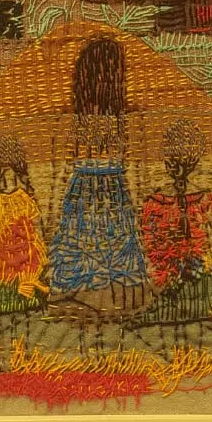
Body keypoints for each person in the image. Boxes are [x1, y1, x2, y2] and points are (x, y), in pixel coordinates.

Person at [48, 35, 147, 312]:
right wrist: (139, 207)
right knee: (115, 237)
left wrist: (51, 213)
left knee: (81, 236)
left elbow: (61, 171)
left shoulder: (72, 120)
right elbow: (135, 170)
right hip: (114, 189)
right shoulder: (126, 120)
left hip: (81, 189)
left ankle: (78, 292)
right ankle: (117, 296)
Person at [139, 118, 212, 293]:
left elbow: (150, 241)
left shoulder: (154, 202)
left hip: (169, 282)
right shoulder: (204, 198)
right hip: (197, 281)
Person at [0, 136, 48, 311]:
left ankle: (28, 286)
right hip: (2, 250)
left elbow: (36, 223)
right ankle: (23, 289)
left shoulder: (23, 198)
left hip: (24, 250)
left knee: (28, 268)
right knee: (5, 280)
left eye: (10, 176)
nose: (7, 182)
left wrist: (42, 245)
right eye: (2, 176)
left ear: (17, 173)